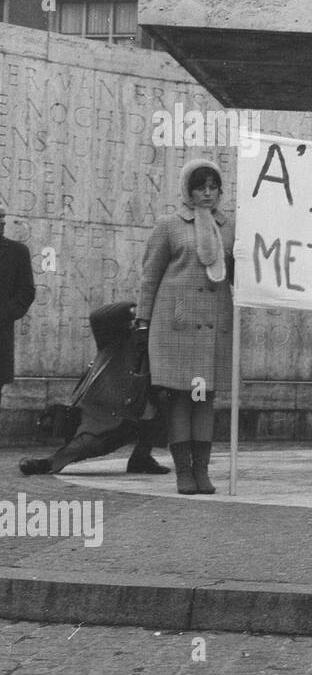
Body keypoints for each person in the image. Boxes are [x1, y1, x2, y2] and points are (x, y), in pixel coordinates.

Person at [136, 159, 236, 496]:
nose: (207, 193)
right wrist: (143, 320)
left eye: (213, 186)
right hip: (176, 326)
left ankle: (202, 472)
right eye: (200, 187)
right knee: (181, 397)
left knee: (205, 397)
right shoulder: (170, 225)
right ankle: (183, 472)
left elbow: (240, 274)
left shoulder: (230, 227)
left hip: (213, 326)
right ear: (188, 190)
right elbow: (150, 276)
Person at [19, 302, 168, 476]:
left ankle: (142, 457)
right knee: (90, 443)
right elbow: (99, 316)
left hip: (135, 413)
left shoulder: (162, 344)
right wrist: (135, 308)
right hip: (103, 412)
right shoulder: (116, 337)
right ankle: (49, 463)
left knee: (169, 398)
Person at [0, 204, 36, 412]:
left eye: (2, 220)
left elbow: (26, 291)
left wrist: (5, 313)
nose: (2, 224)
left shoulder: (17, 252)